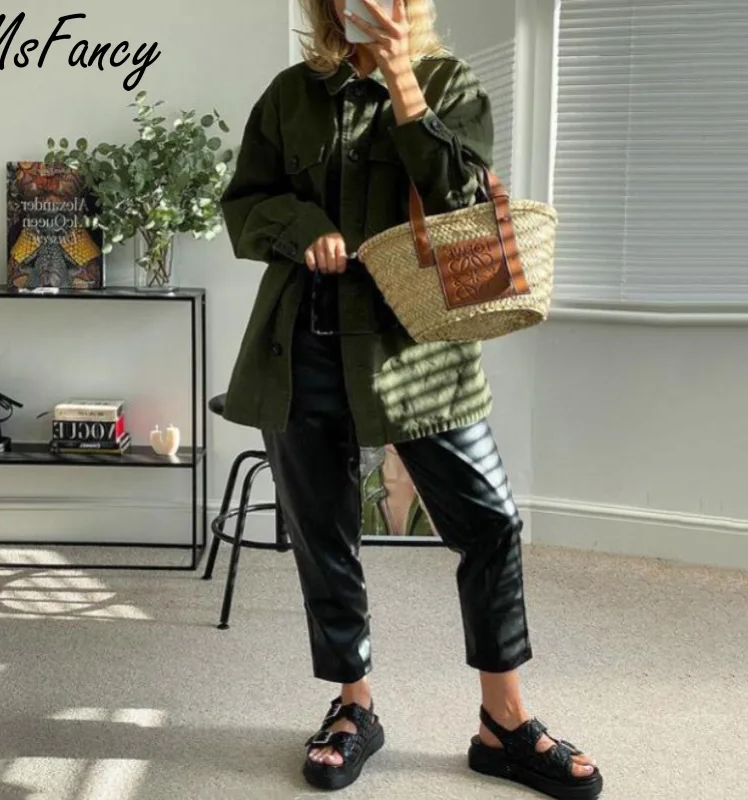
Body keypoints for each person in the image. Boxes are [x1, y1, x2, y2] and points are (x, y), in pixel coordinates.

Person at [218, 0, 604, 797]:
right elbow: (243, 205)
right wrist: (302, 226)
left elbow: (465, 205)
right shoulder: (291, 94)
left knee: (490, 523)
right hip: (303, 345)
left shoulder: (450, 83)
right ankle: (352, 706)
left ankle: (503, 722)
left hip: (420, 348)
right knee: (323, 535)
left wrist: (403, 83)